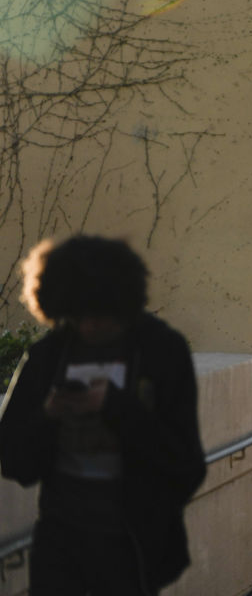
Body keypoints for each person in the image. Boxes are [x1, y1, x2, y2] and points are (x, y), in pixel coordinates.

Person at [0, 235, 206, 595]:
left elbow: (187, 465)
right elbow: (13, 459)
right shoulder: (47, 357)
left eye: (101, 315)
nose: (90, 326)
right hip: (60, 547)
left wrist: (115, 408)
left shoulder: (161, 352)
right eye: (79, 316)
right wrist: (48, 416)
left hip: (133, 549)